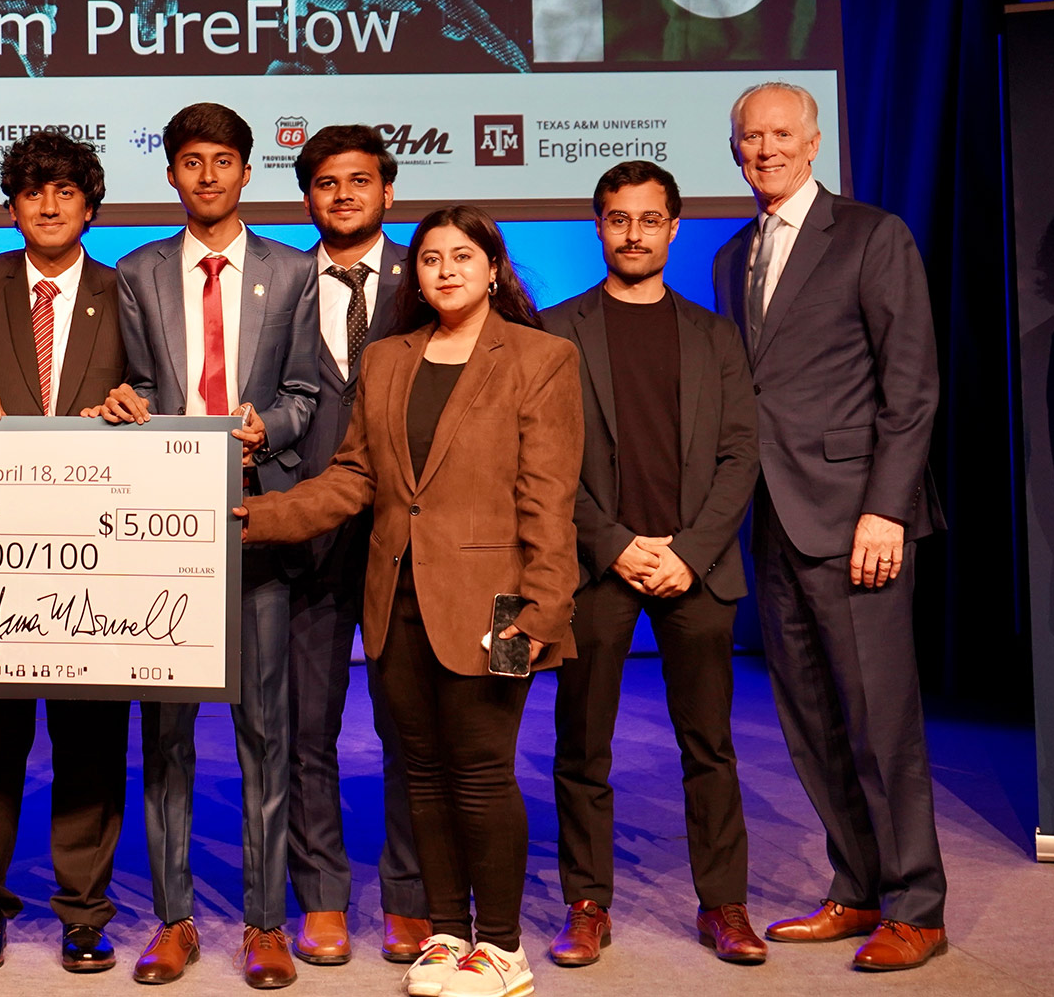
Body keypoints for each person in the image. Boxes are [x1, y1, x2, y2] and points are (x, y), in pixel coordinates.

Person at [238, 206, 581, 997]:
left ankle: (501, 948)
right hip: (399, 603)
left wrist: (540, 614)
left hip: (499, 608)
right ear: (415, 274)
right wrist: (252, 519)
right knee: (423, 773)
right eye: (431, 259)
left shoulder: (541, 358)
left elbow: (549, 501)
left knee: (483, 772)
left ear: (494, 268)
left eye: (464, 256)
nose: (447, 270)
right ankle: (447, 935)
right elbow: (355, 477)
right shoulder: (388, 359)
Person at [710, 82, 948, 970]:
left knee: (881, 723)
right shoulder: (732, 257)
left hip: (859, 521)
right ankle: (857, 889)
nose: (765, 148)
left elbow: (911, 385)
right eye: (749, 137)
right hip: (770, 520)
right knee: (809, 721)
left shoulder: (873, 236)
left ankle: (917, 906)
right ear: (734, 150)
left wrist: (888, 506)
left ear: (814, 143)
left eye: (780, 133)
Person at [91, 102, 319, 989]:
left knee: (265, 730)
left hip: (254, 521)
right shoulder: (137, 273)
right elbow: (137, 384)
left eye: (223, 160)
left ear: (246, 172)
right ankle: (174, 919)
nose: (208, 175)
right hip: (163, 528)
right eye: (192, 161)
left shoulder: (293, 272)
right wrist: (125, 404)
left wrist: (271, 428)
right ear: (174, 174)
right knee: (168, 733)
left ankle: (265, 923)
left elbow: (304, 392)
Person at [542, 161, 764, 967]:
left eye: (648, 219)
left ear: (674, 227)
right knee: (582, 747)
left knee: (709, 745)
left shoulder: (715, 335)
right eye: (616, 218)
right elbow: (547, 460)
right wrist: (615, 543)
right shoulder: (557, 329)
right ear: (596, 226)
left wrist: (690, 552)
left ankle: (724, 904)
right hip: (599, 564)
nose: (632, 233)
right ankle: (586, 902)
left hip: (695, 568)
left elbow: (742, 454)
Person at [0, 131, 130, 974]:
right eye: (32, 193)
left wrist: (134, 404)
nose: (48, 206)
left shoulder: (130, 291)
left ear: (89, 204)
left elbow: (155, 391)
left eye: (64, 192)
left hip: (99, 549)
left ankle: (84, 910)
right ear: (12, 206)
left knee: (90, 735)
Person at [282, 126, 427, 967]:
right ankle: (323, 897)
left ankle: (409, 897)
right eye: (327, 183)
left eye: (359, 181)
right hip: (309, 529)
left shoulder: (431, 274)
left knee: (409, 724)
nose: (343, 195)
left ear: (387, 192)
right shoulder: (280, 281)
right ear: (308, 197)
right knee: (310, 726)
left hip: (412, 537)